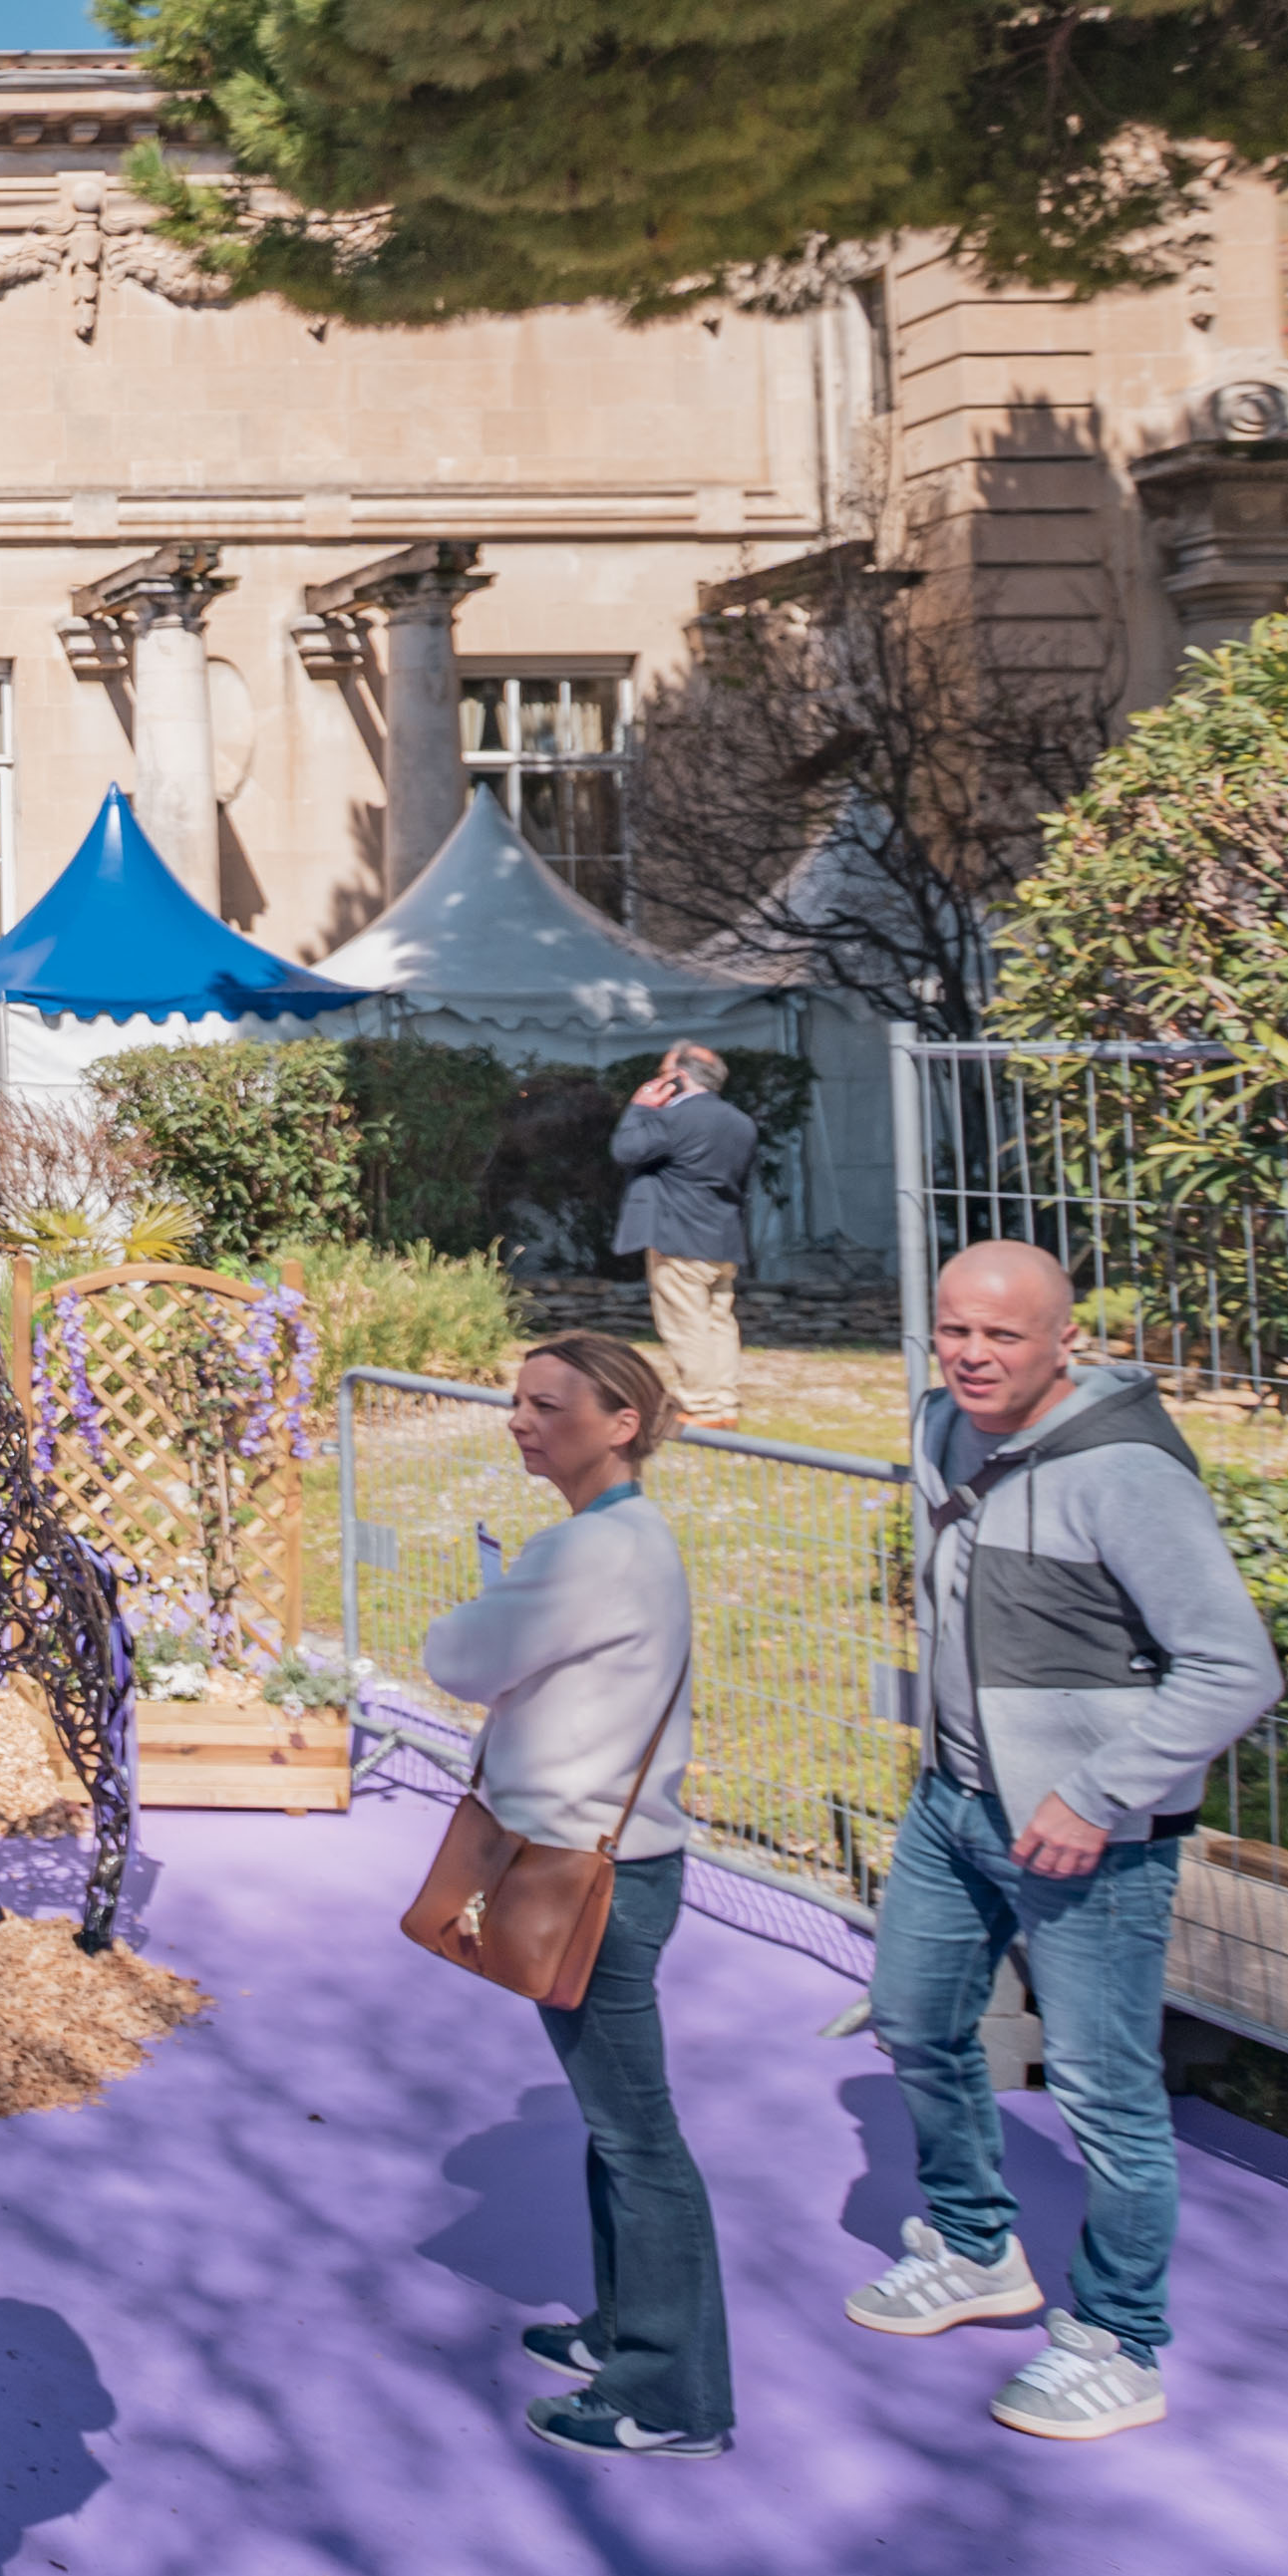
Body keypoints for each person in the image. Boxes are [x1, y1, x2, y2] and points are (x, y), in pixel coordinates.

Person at [852, 1240, 1286, 2442]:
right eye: (954, 1329)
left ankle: (1117, 2339)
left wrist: (1096, 1795)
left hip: (1093, 1839)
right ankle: (975, 2247)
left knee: (1104, 2089)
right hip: (953, 1805)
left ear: (1065, 1341)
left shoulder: (1128, 1473)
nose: (972, 1354)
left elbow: (1235, 1669)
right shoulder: (942, 1425)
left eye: (1003, 1335)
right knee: (912, 2021)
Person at [423, 1333, 728, 2459]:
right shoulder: (632, 1538)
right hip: (616, 1862)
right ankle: (624, 2329)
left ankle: (670, 2395)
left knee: (638, 2138)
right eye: (517, 1401)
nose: (521, 1421)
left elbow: (457, 1657)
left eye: (549, 1405)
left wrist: (487, 1607)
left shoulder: (587, 1551)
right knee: (617, 2127)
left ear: (621, 1423)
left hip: (593, 1875)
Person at [611, 1045, 763, 1427]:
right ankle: (725, 1402)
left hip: (677, 1235)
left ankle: (700, 1404)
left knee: (684, 1323)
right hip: (723, 1236)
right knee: (719, 1322)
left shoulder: (676, 1118)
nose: (657, 1081)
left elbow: (626, 1150)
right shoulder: (741, 1122)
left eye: (663, 1074)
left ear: (680, 1078)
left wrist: (640, 1108)